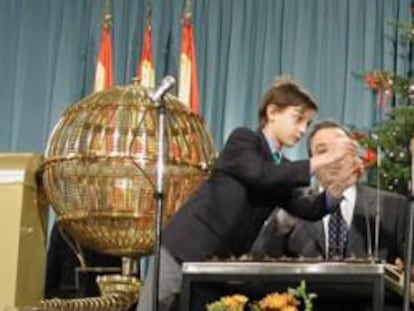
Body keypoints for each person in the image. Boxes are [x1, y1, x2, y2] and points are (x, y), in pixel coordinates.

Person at [136, 77, 363, 311]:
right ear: (272, 112)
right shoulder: (243, 140)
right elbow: (263, 175)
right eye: (298, 119)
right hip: (185, 249)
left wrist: (342, 183)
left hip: (217, 265)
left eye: (307, 123)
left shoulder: (282, 167)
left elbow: (310, 208)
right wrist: (327, 157)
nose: (303, 130)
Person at [250, 120, 408, 311]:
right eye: (323, 151)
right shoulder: (293, 204)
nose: (333, 159)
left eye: (340, 150)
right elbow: (260, 261)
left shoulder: (393, 206)